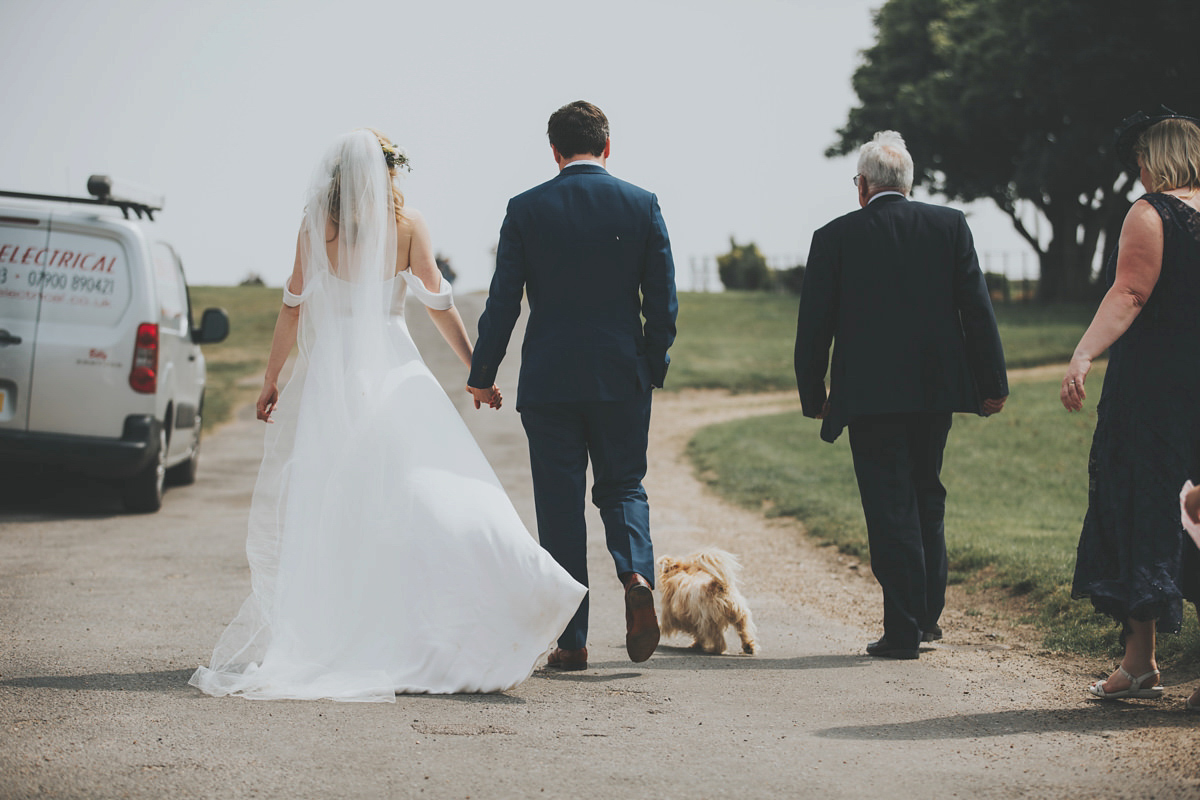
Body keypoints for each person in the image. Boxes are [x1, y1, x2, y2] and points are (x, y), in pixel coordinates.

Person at [189, 130, 585, 701]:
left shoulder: (313, 227)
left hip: (335, 381)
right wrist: (477, 371)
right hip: (396, 369)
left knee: (341, 504)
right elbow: (439, 303)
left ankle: (356, 627)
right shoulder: (409, 225)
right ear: (388, 172)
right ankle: (489, 597)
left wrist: (271, 380)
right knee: (430, 487)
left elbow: (292, 310)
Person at [467, 101, 678, 671]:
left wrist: (482, 374)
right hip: (620, 376)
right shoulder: (642, 204)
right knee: (624, 487)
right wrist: (650, 368)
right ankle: (635, 574)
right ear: (607, 147)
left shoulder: (526, 209)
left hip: (551, 381)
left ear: (555, 151)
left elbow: (503, 303)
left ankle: (572, 640)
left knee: (559, 508)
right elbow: (662, 303)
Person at [793, 131, 1008, 660]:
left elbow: (813, 326)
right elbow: (975, 309)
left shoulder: (834, 236)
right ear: (907, 184)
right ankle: (927, 617)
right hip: (935, 391)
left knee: (888, 505)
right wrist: (992, 384)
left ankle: (904, 627)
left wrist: (813, 392)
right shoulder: (949, 226)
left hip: (868, 396)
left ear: (863, 185)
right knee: (925, 494)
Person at [1063, 107, 1200, 706]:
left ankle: (1140, 662)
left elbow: (1131, 291)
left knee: (1143, 507)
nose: (1136, 171)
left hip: (1156, 392)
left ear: (1156, 158)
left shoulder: (1152, 212)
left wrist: (1083, 354)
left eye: (1140, 159)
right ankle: (1144, 664)